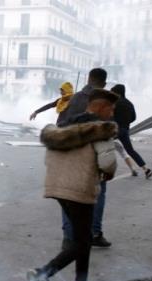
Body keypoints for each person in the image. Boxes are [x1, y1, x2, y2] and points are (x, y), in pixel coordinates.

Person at [29, 89, 118, 281]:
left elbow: (48, 158)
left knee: (82, 238)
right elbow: (108, 163)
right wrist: (108, 173)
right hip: (80, 188)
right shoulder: (100, 130)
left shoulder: (64, 125)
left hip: (57, 186)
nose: (112, 114)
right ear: (101, 107)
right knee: (83, 241)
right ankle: (42, 274)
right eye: (111, 109)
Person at [59, 68, 112, 249]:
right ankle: (94, 233)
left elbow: (62, 124)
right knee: (98, 194)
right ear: (104, 83)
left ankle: (69, 236)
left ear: (89, 79)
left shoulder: (75, 98)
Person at [110, 84, 152, 179]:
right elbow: (134, 117)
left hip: (114, 130)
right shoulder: (129, 103)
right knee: (130, 151)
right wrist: (125, 123)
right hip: (125, 130)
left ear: (117, 92)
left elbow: (109, 115)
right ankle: (146, 169)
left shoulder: (114, 103)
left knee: (102, 148)